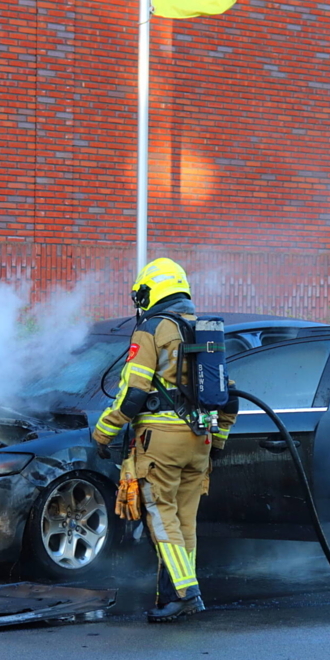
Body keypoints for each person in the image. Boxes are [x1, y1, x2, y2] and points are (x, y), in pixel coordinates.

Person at [91, 257, 238, 622]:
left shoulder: (153, 328)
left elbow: (133, 392)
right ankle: (176, 597)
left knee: (160, 518)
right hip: (199, 440)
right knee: (184, 521)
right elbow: (229, 397)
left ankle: (186, 594)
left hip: (161, 441)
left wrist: (103, 431)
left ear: (150, 292)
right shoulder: (203, 330)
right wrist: (216, 441)